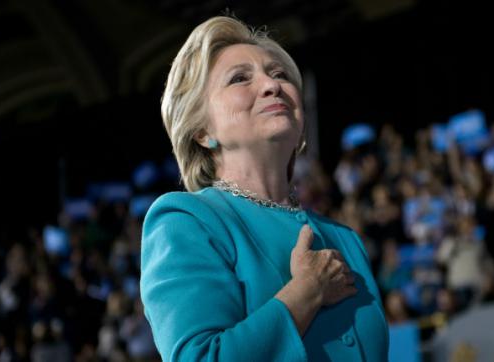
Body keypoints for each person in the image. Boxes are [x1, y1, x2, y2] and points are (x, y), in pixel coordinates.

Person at [139, 16, 389, 362]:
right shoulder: (186, 221)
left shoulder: (345, 238)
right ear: (202, 132)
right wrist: (307, 292)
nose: (272, 86)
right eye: (240, 78)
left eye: (280, 74)